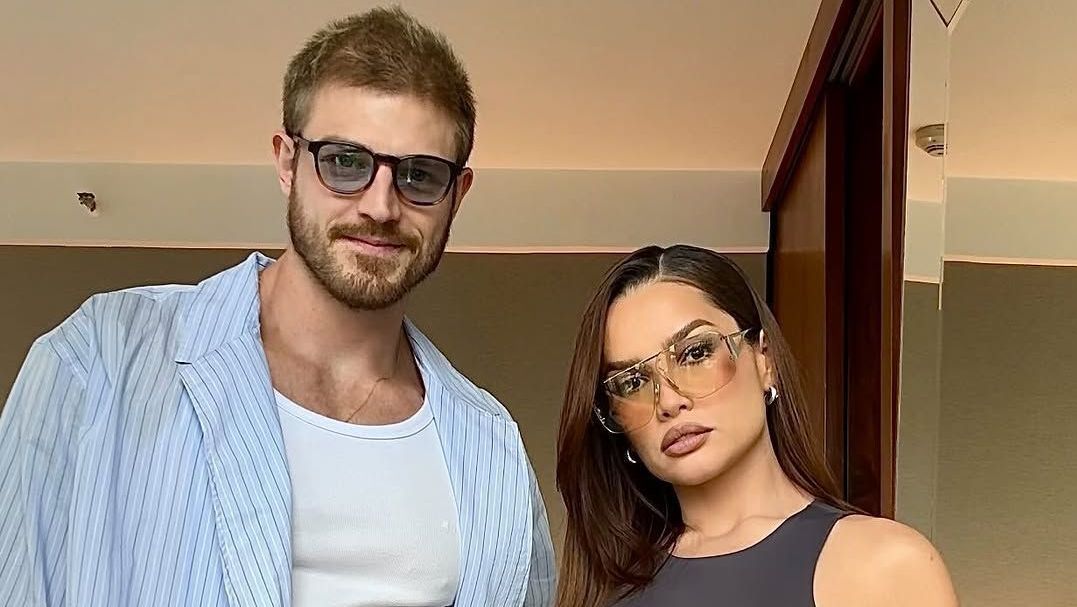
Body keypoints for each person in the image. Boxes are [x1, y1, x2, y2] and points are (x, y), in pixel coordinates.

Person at [0, 7, 554, 606]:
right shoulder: (100, 360)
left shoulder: (493, 446)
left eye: (419, 175)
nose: (380, 206)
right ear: (288, 163)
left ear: (457, 194)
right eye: (345, 162)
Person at [555, 245, 957, 606]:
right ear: (614, 418)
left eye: (695, 353)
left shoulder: (884, 567)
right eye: (633, 382)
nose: (670, 402)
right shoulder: (606, 589)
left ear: (765, 360)